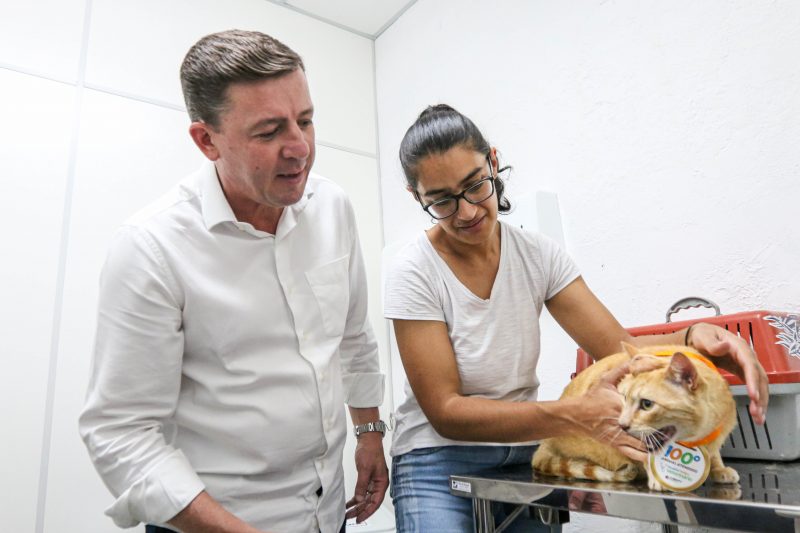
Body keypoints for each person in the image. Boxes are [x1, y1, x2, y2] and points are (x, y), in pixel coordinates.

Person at [383, 104, 769, 532]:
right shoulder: (413, 272)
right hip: (436, 458)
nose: (467, 211)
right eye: (442, 201)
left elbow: (617, 347)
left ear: (492, 162)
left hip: (524, 449)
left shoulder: (538, 255)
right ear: (418, 197)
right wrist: (573, 413)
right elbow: (446, 411)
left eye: (475, 186)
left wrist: (697, 339)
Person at [79, 30, 388, 533]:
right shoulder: (151, 247)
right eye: (269, 131)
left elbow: (352, 338)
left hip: (327, 511)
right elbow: (122, 433)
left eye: (306, 120)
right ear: (207, 140)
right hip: (220, 519)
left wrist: (369, 433)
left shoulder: (332, 207)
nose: (300, 148)